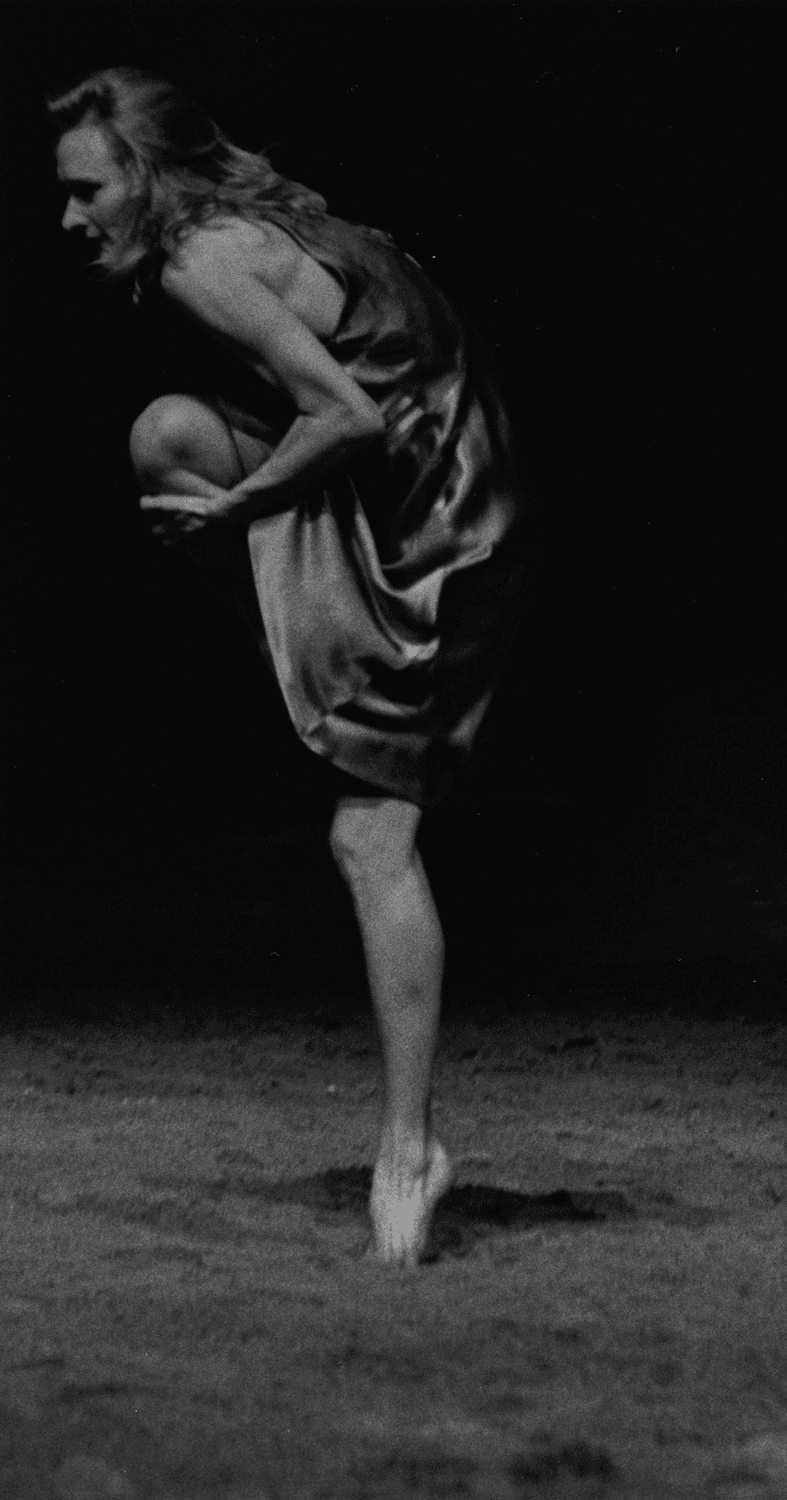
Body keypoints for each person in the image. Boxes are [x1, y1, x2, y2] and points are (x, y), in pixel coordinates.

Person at [51, 67, 529, 1268]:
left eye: (86, 190)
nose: (68, 219)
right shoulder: (245, 223)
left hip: (444, 517)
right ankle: (305, 664)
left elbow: (354, 421)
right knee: (166, 435)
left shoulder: (202, 263)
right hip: (402, 470)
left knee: (369, 843)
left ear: (147, 178)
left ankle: (408, 1147)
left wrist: (235, 516)